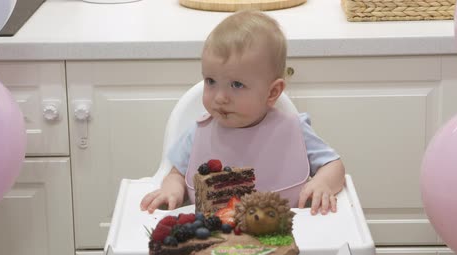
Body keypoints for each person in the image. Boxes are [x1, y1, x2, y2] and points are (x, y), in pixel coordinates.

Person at [140, 10, 345, 216]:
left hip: (285, 232)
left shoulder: (295, 130)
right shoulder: (198, 133)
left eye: (236, 84)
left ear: (272, 92)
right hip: (214, 236)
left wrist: (321, 184)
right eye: (210, 81)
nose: (220, 97)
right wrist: (172, 188)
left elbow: (334, 166)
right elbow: (176, 173)